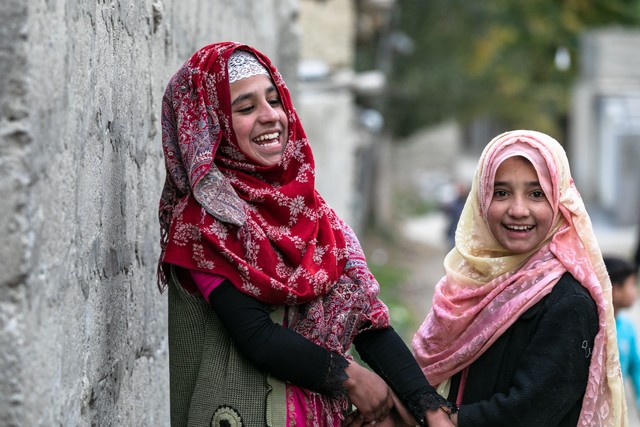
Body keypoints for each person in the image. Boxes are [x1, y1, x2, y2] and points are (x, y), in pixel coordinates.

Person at [157, 42, 454, 427]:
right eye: (246, 108)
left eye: (274, 100)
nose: (270, 117)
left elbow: (369, 325)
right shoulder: (203, 225)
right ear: (213, 127)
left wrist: (430, 409)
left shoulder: (316, 219)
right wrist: (352, 378)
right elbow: (258, 337)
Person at [411, 130, 628, 426]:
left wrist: (448, 418)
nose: (518, 210)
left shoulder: (569, 302)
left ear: (560, 202)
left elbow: (530, 409)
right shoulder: (469, 283)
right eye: (501, 193)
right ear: (481, 198)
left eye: (536, 194)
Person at [604, 256, 640, 414]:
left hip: (617, 411)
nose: (636, 291)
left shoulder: (627, 328)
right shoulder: (596, 328)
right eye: (632, 284)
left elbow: (635, 367)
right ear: (616, 290)